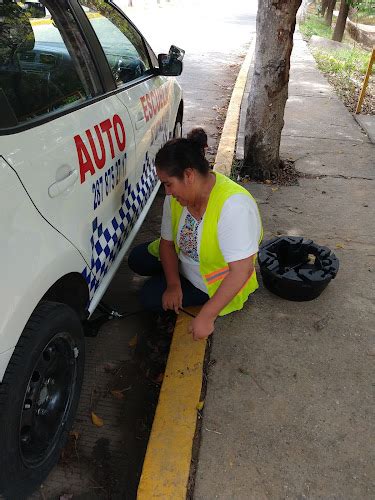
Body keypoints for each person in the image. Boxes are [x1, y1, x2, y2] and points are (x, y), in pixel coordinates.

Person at [128, 129, 263, 340]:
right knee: (137, 259)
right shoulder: (175, 198)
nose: (168, 192)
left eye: (168, 184)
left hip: (209, 282)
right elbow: (167, 244)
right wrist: (173, 285)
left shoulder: (234, 206)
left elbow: (241, 271)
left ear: (189, 175)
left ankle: (180, 285)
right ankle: (171, 278)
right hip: (185, 262)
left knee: (149, 298)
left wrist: (207, 316)